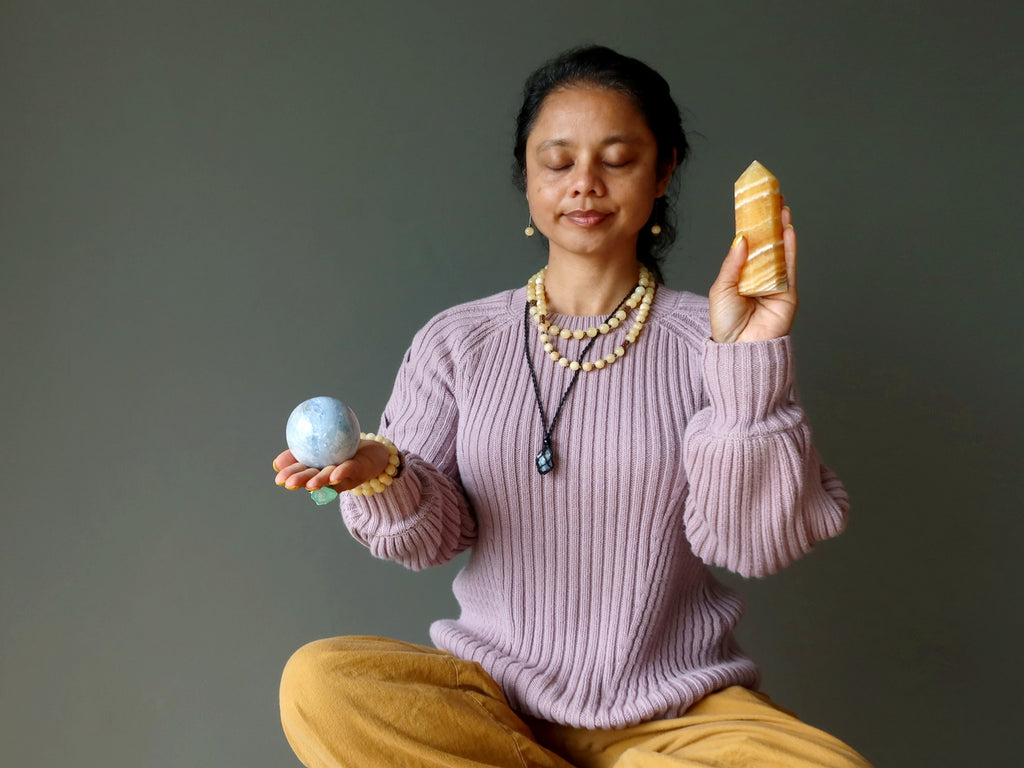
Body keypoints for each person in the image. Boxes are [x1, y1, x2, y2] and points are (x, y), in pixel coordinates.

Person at [273, 45, 872, 768]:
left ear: (665, 170)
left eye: (617, 159)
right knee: (322, 683)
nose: (584, 184)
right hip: (491, 711)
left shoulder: (713, 338)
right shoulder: (458, 341)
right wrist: (381, 470)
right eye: (557, 162)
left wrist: (748, 359)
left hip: (674, 715)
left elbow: (748, 544)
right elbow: (431, 537)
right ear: (526, 174)